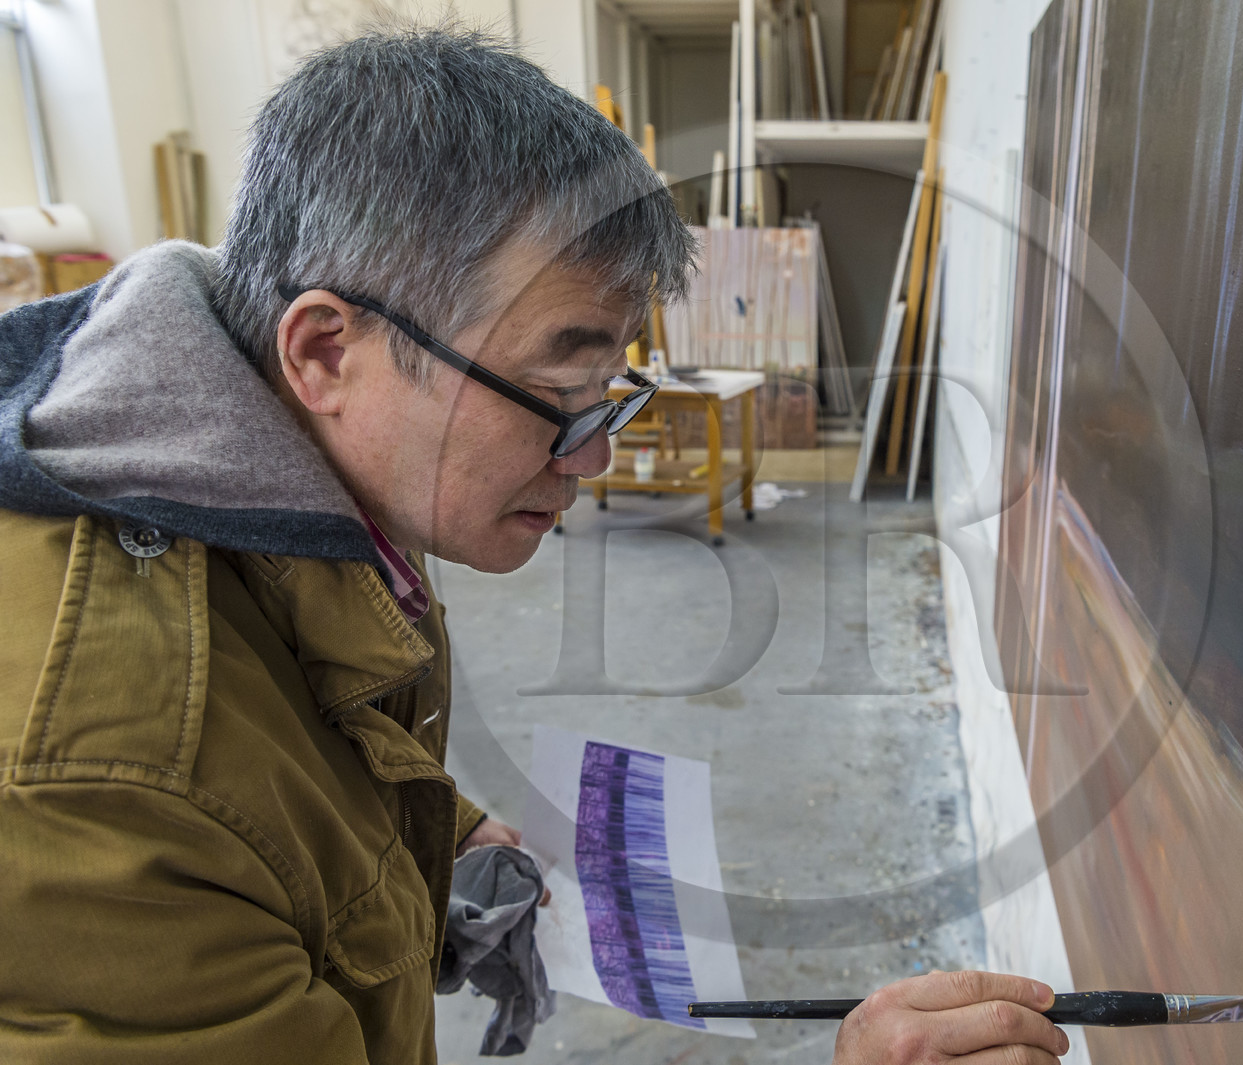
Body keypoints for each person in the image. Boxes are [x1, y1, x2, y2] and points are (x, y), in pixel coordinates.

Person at [0, 27, 1068, 1065]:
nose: (591, 459)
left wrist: (435, 836)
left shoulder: (293, 472)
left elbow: (297, 726)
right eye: (558, 395)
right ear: (327, 349)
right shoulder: (115, 769)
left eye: (609, 400)